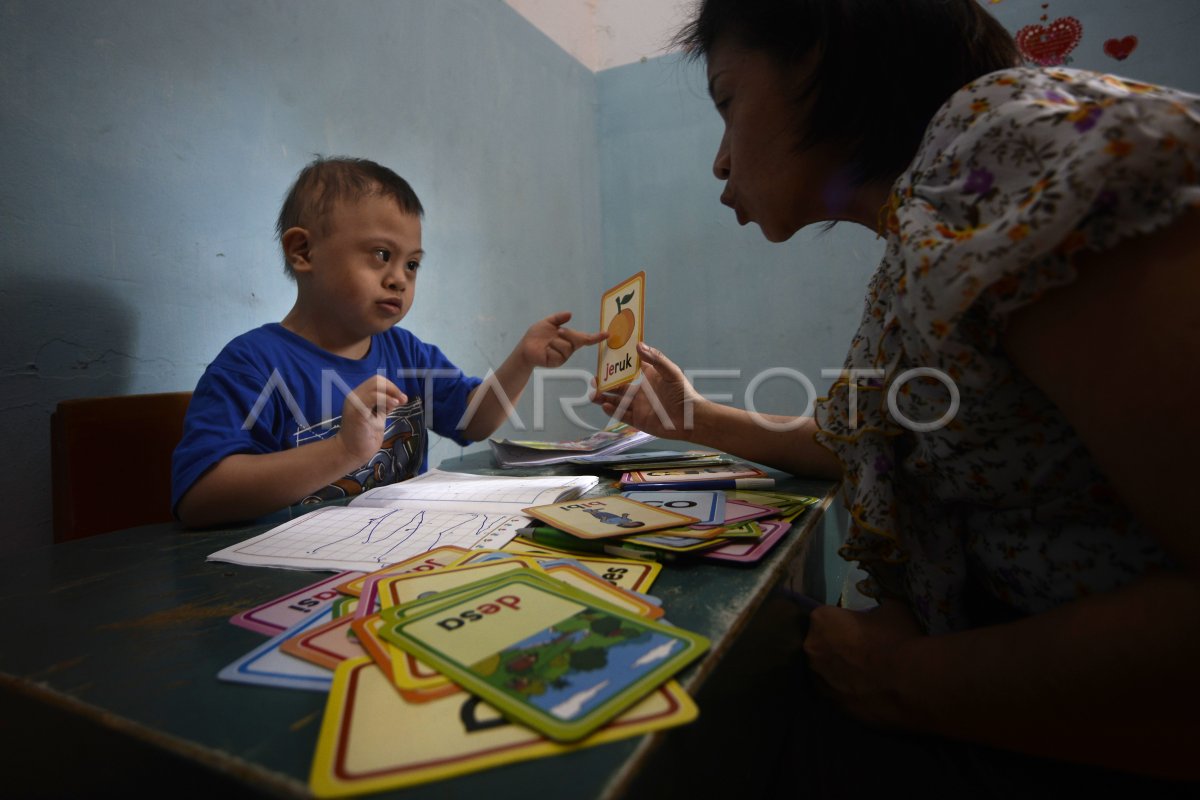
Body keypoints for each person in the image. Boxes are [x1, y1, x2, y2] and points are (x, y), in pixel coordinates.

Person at [595, 0, 1199, 786]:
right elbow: (869, 442)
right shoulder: (931, 224)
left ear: (817, 57)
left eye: (727, 102)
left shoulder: (1013, 151)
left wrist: (907, 683)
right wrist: (692, 419)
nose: (719, 161)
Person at [173, 157, 605, 528]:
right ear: (303, 251)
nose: (399, 277)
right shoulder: (253, 364)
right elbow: (200, 499)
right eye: (381, 255)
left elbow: (473, 422)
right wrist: (343, 450)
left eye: (412, 264)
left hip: (402, 555)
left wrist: (523, 361)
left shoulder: (405, 352)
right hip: (288, 580)